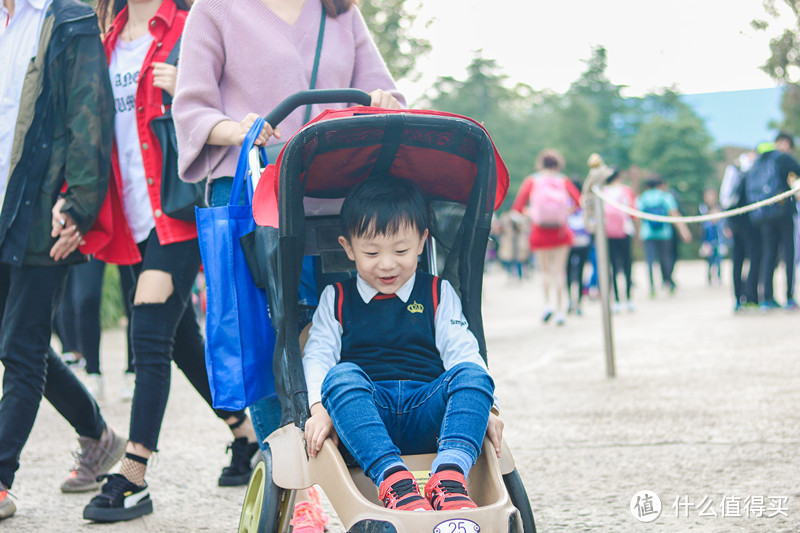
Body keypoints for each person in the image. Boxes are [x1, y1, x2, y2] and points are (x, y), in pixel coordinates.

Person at [173, 1, 403, 529]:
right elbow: (191, 109)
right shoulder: (216, 9)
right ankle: (295, 487)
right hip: (254, 191)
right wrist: (240, 129)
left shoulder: (341, 12)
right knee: (272, 337)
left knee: (345, 329)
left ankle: (365, 471)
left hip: (334, 199)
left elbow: (383, 93)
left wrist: (383, 102)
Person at [81, 0, 261, 523]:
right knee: (182, 341)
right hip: (132, 216)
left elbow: (244, 104)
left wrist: (188, 87)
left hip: (177, 212)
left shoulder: (191, 25)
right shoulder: (106, 36)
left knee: (149, 334)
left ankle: (133, 474)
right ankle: (244, 436)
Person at [302, 177, 502, 512]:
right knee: (339, 376)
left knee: (474, 373)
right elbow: (318, 356)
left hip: (427, 411)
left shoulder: (438, 292)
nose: (387, 264)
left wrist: (486, 409)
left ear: (423, 242)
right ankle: (393, 479)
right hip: (365, 417)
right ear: (348, 248)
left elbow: (461, 350)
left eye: (400, 250)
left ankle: (450, 476)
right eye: (371, 252)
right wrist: (318, 409)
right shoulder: (336, 297)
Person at [0, 0, 128, 520]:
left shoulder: (68, 18)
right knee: (18, 343)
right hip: (3, 207)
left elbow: (89, 114)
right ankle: (98, 434)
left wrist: (78, 204)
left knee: (21, 350)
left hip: (43, 211)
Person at [511, 149, 581, 326]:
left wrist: (531, 213)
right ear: (558, 164)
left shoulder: (532, 181)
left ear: (540, 164)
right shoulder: (563, 180)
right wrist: (566, 211)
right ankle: (560, 312)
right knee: (559, 272)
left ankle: (547, 305)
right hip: (560, 232)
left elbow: (518, 207)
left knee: (545, 273)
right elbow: (578, 202)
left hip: (539, 232)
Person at [746, 133, 800, 310]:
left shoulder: (757, 162)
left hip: (764, 215)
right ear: (783, 143)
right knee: (789, 254)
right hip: (783, 213)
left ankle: (767, 298)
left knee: (769, 255)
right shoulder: (782, 158)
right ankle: (789, 296)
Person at [636, 176, 691, 297]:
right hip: (664, 233)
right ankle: (668, 282)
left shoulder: (642, 198)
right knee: (666, 258)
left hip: (647, 234)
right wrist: (684, 231)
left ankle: (652, 286)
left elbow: (638, 218)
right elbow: (674, 214)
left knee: (650, 261)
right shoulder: (665, 196)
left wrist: (638, 234)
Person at [720, 151, 757, 311]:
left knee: (741, 259)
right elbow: (726, 198)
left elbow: (725, 198)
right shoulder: (740, 169)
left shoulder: (735, 169)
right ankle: (747, 296)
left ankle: (743, 296)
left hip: (740, 219)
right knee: (749, 258)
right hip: (748, 220)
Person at [602, 169, 636, 312]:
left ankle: (615, 300)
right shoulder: (626, 190)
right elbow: (633, 211)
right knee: (627, 265)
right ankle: (628, 299)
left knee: (613, 267)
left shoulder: (602, 191)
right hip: (625, 230)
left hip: (608, 232)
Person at [566, 180, 591, 315]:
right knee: (581, 270)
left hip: (569, 240)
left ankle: (570, 300)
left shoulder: (565, 200)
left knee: (568, 271)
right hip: (583, 239)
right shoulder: (583, 201)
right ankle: (579, 301)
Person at [698, 188, 727, 286]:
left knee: (719, 259)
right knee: (709, 260)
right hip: (708, 240)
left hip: (718, 239)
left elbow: (723, 225)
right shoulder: (702, 209)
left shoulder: (719, 208)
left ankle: (718, 277)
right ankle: (709, 278)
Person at [496, 210, 530, 282]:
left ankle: (519, 276)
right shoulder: (506, 219)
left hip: (518, 244)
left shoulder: (520, 219)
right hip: (509, 243)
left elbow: (524, 228)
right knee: (509, 261)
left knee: (519, 261)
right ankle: (511, 276)